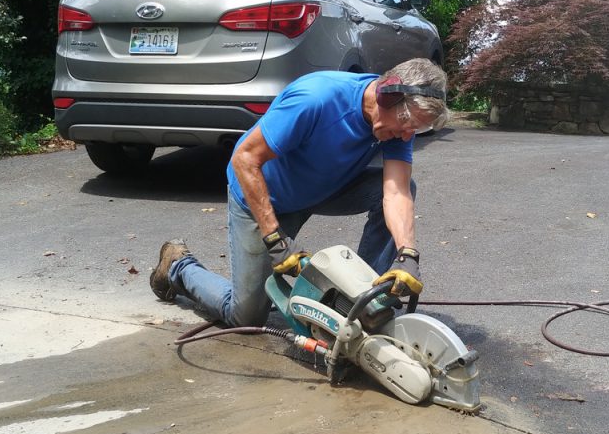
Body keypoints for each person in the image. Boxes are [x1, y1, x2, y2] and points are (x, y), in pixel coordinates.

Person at [150, 58, 449, 326]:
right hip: (265, 197)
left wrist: (407, 254)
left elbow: (396, 193)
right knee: (246, 315)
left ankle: (360, 302)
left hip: (326, 187)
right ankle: (177, 265)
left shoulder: (397, 126)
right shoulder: (316, 99)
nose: (407, 136)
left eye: (417, 130)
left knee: (400, 188)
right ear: (387, 95)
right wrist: (275, 240)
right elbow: (245, 159)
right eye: (407, 124)